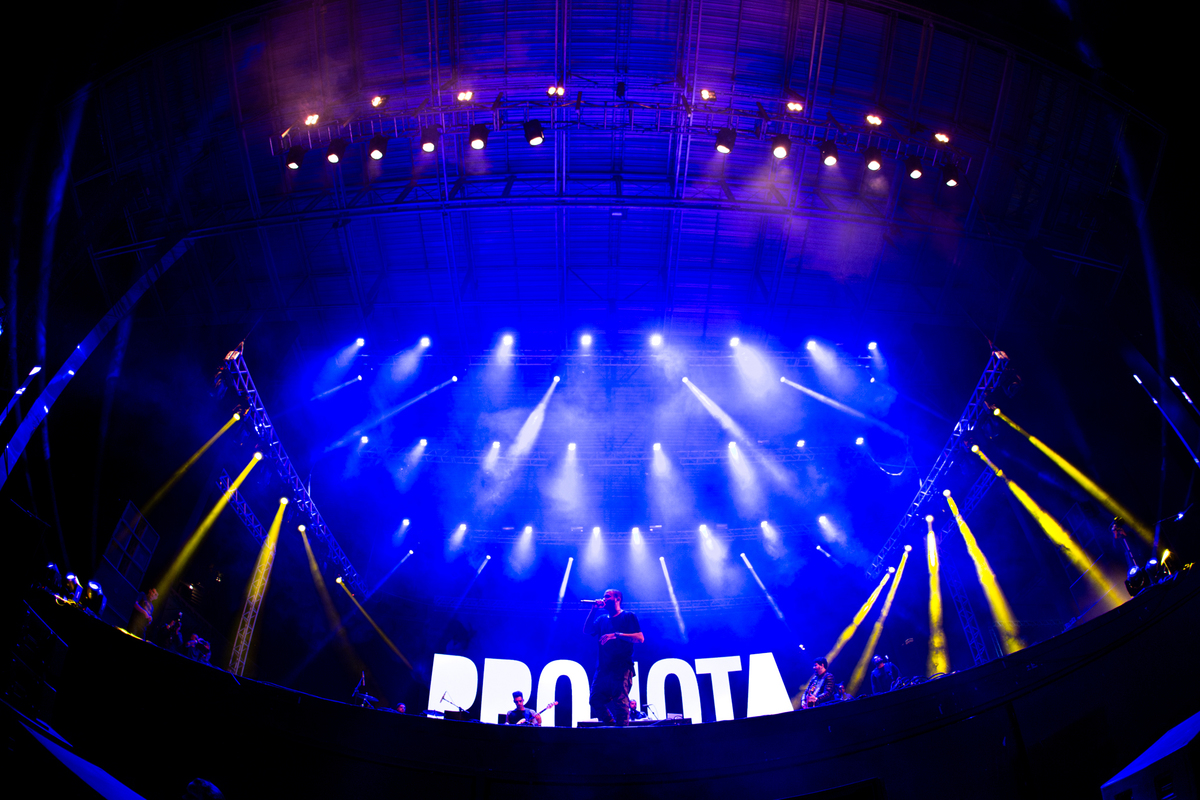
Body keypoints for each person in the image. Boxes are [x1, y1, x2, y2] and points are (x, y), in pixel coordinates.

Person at [583, 588, 644, 726]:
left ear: (617, 599)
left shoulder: (628, 616)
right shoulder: (602, 620)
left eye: (607, 596)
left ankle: (622, 735)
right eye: (604, 596)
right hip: (603, 669)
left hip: (622, 667)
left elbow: (640, 638)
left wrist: (616, 635)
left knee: (620, 702)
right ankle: (612, 728)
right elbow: (587, 630)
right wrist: (594, 609)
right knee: (595, 700)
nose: (604, 599)